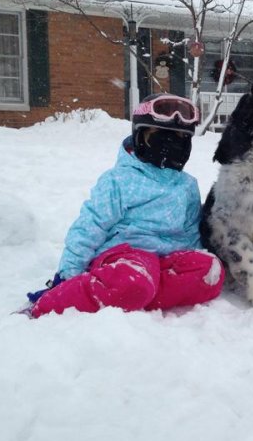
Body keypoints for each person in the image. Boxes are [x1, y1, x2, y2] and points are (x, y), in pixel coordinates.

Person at [27, 94, 225, 318]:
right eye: (161, 135)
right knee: (136, 279)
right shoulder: (119, 180)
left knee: (211, 271)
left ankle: (133, 294)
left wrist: (195, 257)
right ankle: (52, 303)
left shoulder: (187, 185)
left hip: (166, 263)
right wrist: (68, 273)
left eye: (180, 137)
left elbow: (190, 231)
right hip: (123, 258)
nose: (172, 143)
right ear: (141, 136)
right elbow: (90, 226)